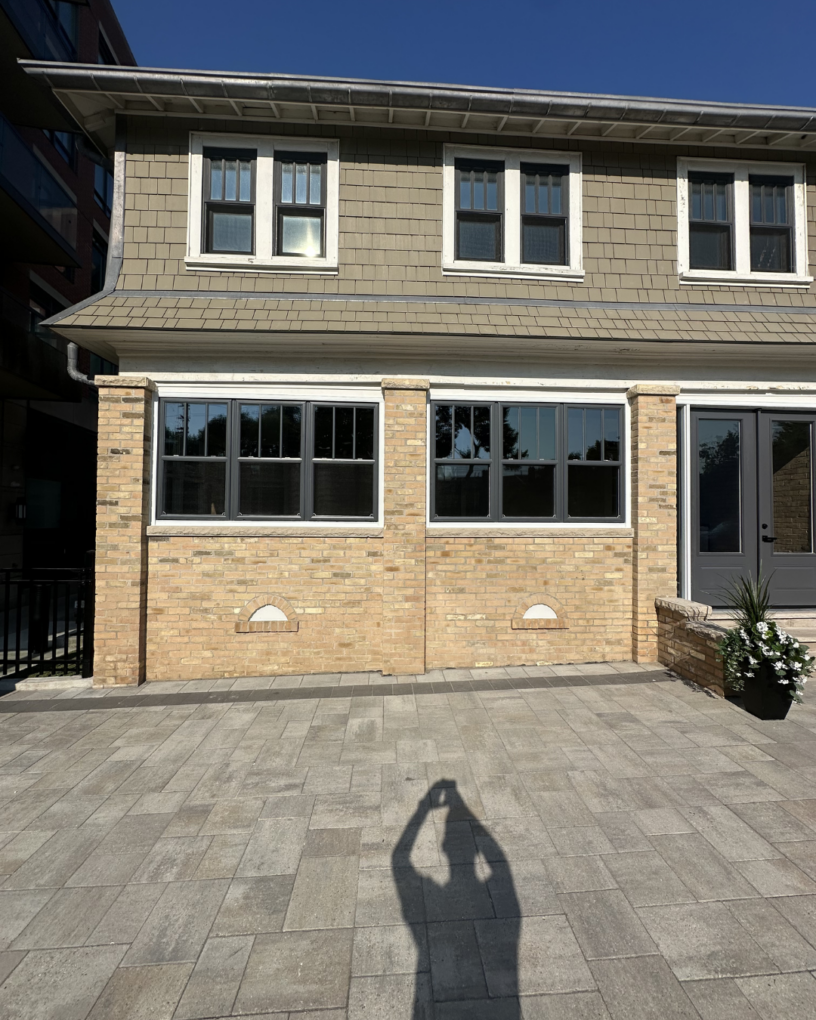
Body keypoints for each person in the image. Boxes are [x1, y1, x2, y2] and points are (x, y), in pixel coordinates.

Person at [392, 779, 521, 1019]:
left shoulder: (431, 900)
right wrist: (457, 805)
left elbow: (399, 859)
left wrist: (424, 808)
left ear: (442, 848)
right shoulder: (505, 909)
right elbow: (501, 862)